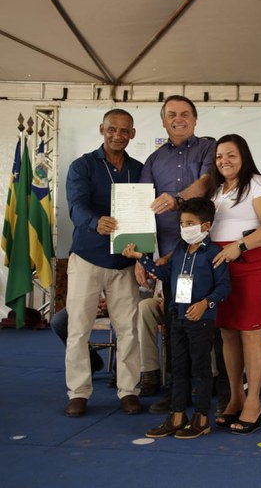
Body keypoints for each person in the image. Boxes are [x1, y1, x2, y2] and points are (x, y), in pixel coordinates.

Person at [138, 95, 221, 414]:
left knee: (205, 323)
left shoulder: (207, 149)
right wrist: (142, 257)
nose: (179, 118)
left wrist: (176, 199)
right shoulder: (153, 160)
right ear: (163, 122)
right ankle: (178, 392)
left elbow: (205, 182)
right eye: (171, 114)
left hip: (203, 257)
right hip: (171, 261)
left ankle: (212, 385)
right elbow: (144, 208)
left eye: (185, 114)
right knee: (176, 326)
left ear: (195, 119)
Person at [123, 198, 231, 439]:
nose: (185, 228)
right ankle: (176, 416)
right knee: (178, 368)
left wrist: (205, 304)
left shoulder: (215, 253)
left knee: (201, 370)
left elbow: (224, 287)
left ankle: (202, 418)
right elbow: (163, 273)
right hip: (177, 317)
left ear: (206, 226)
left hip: (201, 321)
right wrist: (141, 256)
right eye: (182, 223)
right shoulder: (180, 250)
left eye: (190, 223)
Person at [63, 109, 145, 417]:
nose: (118, 135)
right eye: (112, 129)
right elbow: (76, 205)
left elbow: (145, 211)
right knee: (78, 329)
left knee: (129, 330)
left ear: (132, 134)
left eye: (125, 130)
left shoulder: (138, 169)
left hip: (124, 260)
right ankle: (79, 392)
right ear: (102, 129)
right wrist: (94, 222)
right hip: (87, 257)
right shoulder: (82, 165)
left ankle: (128, 391)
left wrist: (143, 255)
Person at [206, 134, 261, 434]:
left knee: (251, 333)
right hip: (220, 264)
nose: (224, 161)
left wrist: (240, 245)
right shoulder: (216, 188)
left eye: (231, 155)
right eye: (219, 156)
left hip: (251, 263)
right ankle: (236, 396)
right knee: (227, 332)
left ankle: (254, 401)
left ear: (244, 157)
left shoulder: (257, 184)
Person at [51, 302, 106, 375]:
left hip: (120, 303)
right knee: (58, 321)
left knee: (121, 326)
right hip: (89, 301)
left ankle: (119, 371)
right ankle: (91, 359)